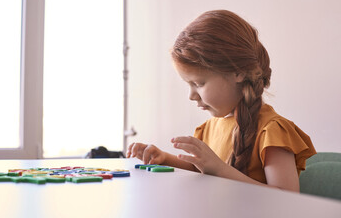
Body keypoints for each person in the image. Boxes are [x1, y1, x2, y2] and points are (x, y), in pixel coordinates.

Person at [126, 10, 316, 192]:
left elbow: (287, 198)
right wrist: (164, 158)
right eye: (188, 84)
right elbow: (201, 171)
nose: (191, 95)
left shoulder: (272, 131)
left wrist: (220, 170)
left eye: (199, 83)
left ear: (238, 72)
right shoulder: (210, 128)